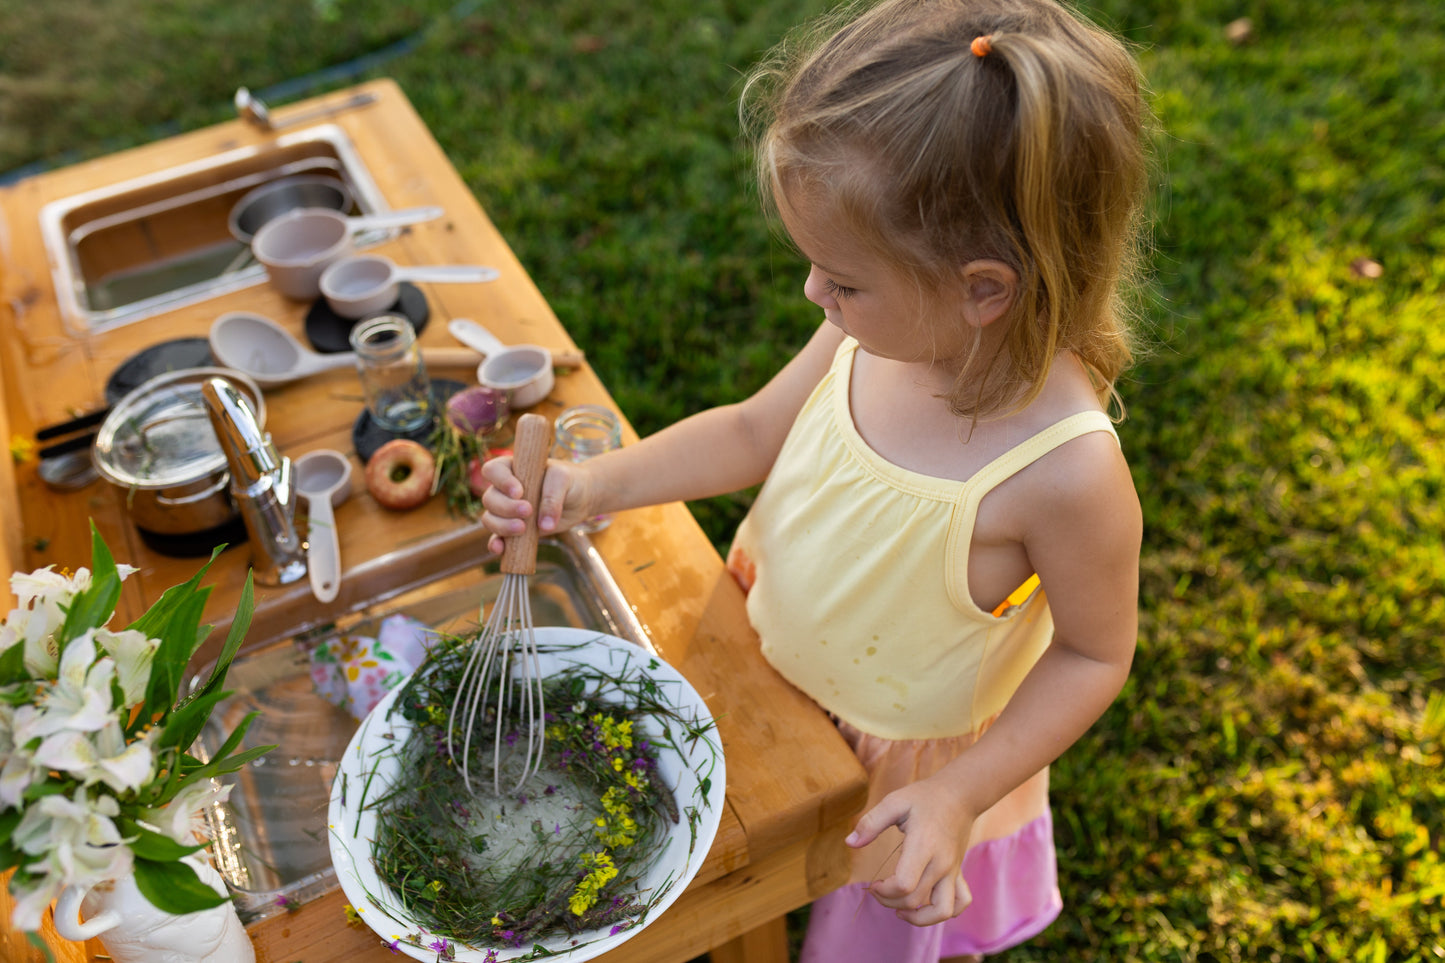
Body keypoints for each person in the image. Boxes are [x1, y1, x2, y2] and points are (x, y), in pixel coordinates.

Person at [480, 0, 1150, 958]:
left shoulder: (1064, 472)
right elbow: (755, 430)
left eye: (840, 279)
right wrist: (592, 486)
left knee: (850, 925)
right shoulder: (880, 329)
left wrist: (957, 796)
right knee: (733, 854)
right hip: (763, 639)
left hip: (896, 753)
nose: (814, 297)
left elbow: (1092, 655)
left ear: (982, 289)